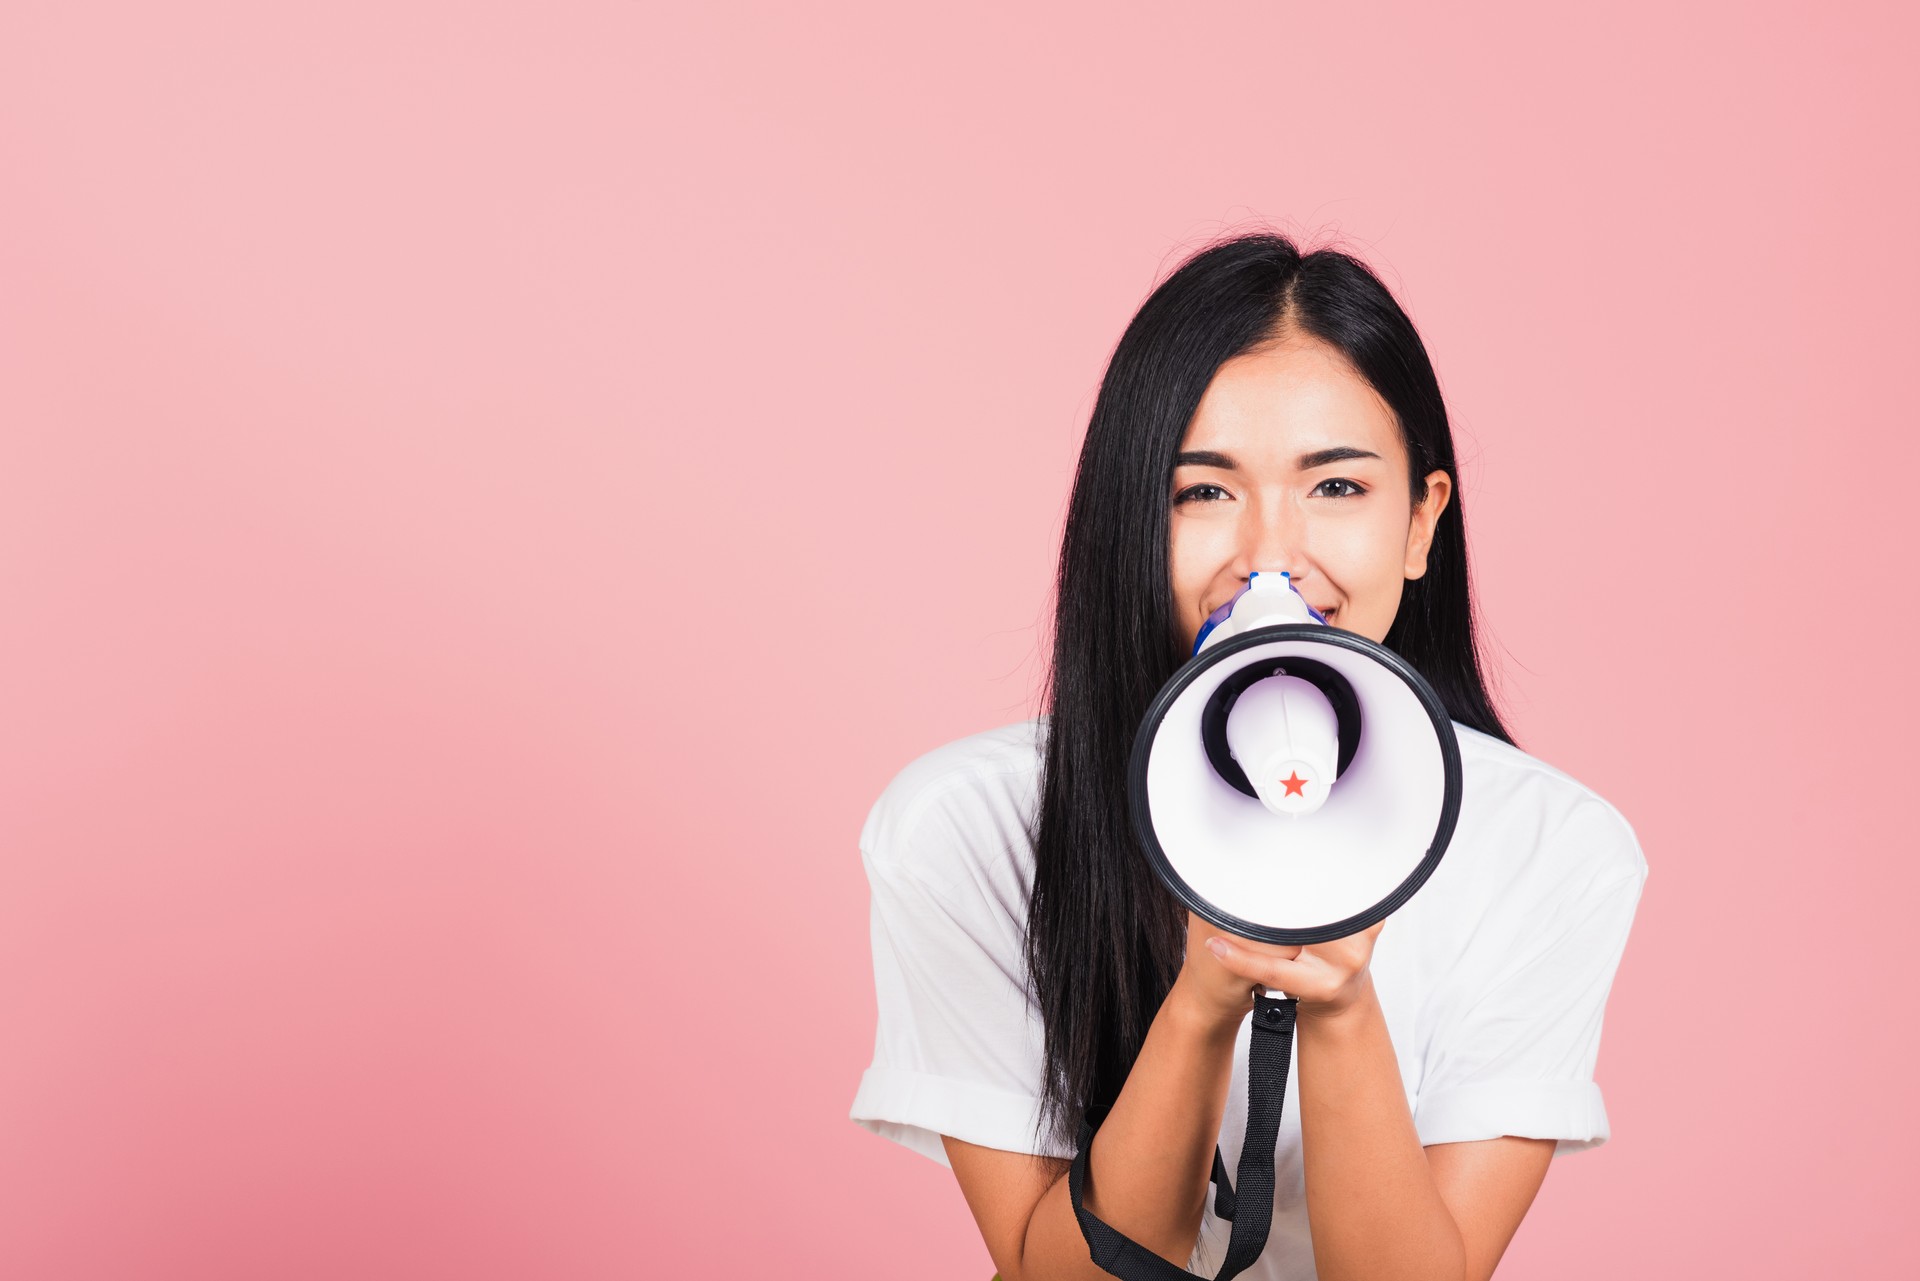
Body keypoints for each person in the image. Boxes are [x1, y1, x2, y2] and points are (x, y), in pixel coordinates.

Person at [849, 232, 1648, 1281]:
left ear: (1421, 523)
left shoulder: (1552, 850)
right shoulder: (967, 828)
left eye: (1338, 490)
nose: (1270, 559)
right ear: (1127, 522)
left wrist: (1340, 1004)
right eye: (1203, 493)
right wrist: (1206, 993)